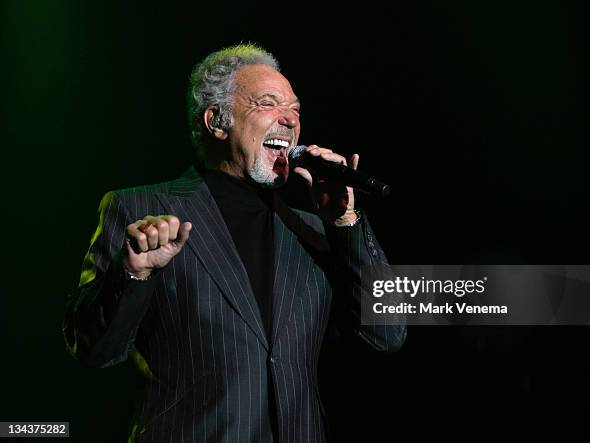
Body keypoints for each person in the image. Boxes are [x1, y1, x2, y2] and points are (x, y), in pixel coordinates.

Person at [63, 43, 406, 443]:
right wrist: (132, 274)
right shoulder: (139, 207)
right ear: (216, 121)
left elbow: (387, 334)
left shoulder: (311, 229)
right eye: (268, 103)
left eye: (295, 109)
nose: (289, 120)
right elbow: (92, 349)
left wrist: (345, 221)